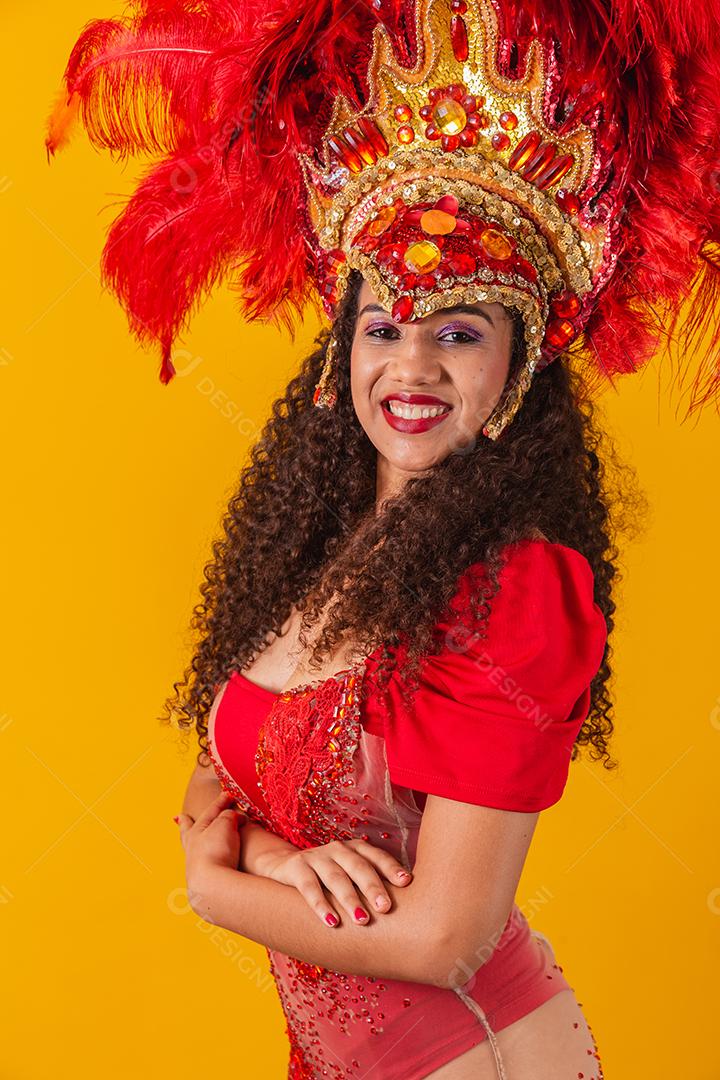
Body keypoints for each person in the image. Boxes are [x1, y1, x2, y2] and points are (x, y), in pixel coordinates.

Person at [45, 0, 720, 1076]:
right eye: (386, 327)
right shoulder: (309, 547)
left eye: (460, 331)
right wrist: (268, 851)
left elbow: (445, 941)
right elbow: (215, 790)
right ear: (343, 346)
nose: (412, 368)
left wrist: (221, 888)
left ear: (520, 369)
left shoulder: (520, 587)